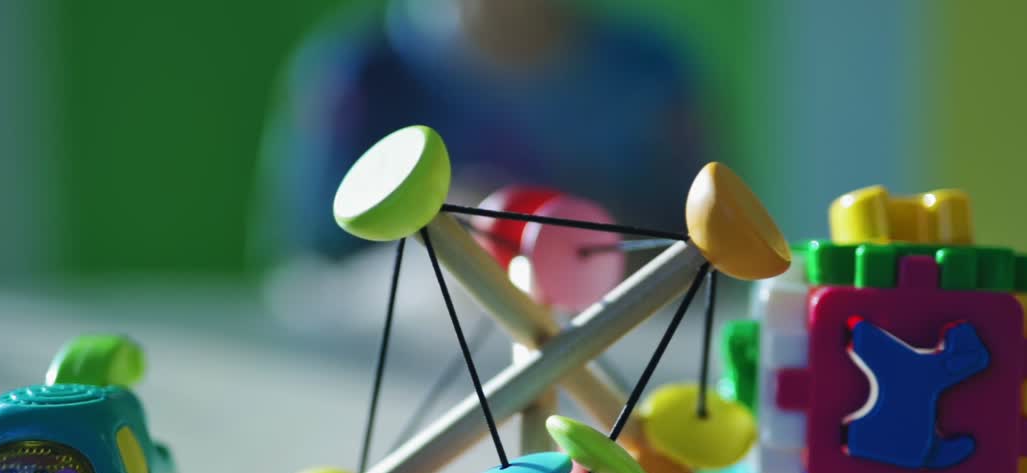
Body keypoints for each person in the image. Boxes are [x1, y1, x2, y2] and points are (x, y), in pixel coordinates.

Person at [253, 0, 708, 261]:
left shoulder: (652, 76)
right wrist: (439, 252)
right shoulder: (358, 76)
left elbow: (706, 260)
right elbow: (301, 280)